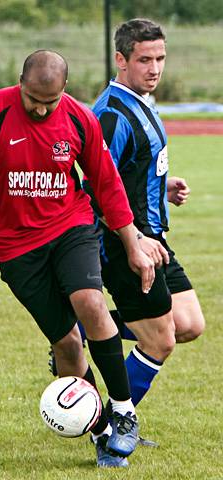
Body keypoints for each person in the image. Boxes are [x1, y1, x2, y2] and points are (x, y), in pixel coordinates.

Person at [0, 50, 156, 468]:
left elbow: (106, 185)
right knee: (67, 344)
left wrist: (132, 244)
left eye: (48, 102)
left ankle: (124, 411)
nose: (39, 108)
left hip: (70, 224)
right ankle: (104, 432)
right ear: (21, 82)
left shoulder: (79, 119)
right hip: (15, 245)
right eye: (32, 98)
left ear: (64, 91)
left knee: (89, 300)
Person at [84, 18, 205, 415]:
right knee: (161, 340)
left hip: (154, 236)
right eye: (144, 60)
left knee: (188, 324)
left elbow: (128, 171)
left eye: (160, 58)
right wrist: (132, 237)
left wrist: (161, 187)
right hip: (128, 243)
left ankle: (86, 328)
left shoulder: (143, 101)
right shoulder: (113, 115)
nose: (154, 69)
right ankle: (113, 424)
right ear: (121, 59)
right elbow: (95, 190)